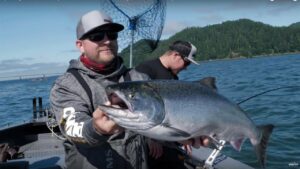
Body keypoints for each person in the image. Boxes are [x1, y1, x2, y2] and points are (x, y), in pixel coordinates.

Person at [50, 10, 207, 169]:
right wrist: (96, 128)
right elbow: (71, 128)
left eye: (112, 34)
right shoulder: (66, 86)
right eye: (97, 36)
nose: (107, 41)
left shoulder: (139, 78)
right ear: (80, 45)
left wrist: (183, 136)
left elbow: (155, 125)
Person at [135, 41, 200, 169]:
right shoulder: (146, 70)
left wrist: (183, 135)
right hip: (149, 143)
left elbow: (176, 112)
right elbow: (137, 108)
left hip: (168, 139)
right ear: (176, 55)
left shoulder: (174, 79)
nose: (186, 67)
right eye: (186, 62)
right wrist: (150, 138)